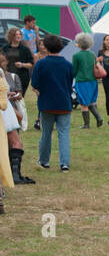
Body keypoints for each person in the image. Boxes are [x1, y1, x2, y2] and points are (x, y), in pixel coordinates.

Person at [31, 35, 74, 171]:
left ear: (46, 47)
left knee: (46, 134)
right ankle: (64, 163)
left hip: (46, 103)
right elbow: (69, 84)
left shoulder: (41, 63)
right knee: (64, 134)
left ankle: (44, 161)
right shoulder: (67, 64)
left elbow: (35, 83)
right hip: (64, 103)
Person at [2, 53, 33, 184]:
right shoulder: (3, 75)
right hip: (4, 110)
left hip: (6, 107)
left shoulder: (7, 75)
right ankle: (15, 174)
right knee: (15, 141)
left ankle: (13, 174)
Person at [3, 27, 34, 130]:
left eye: (20, 34)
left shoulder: (24, 49)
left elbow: (31, 63)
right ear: (11, 36)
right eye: (16, 34)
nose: (19, 36)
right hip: (7, 77)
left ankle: (19, 121)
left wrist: (23, 64)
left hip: (21, 77)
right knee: (7, 99)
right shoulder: (5, 48)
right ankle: (9, 121)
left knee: (18, 99)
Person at [71, 33, 102, 128]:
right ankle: (98, 118)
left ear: (79, 43)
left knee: (83, 103)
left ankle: (86, 124)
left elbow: (74, 70)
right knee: (92, 101)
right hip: (93, 81)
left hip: (82, 81)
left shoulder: (76, 55)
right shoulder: (92, 54)